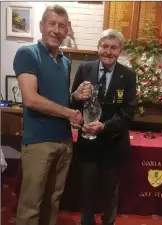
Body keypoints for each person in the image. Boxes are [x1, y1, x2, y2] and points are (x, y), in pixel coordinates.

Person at [13, 4, 91, 225]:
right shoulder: (27, 54)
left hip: (64, 141)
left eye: (62, 26)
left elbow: (58, 99)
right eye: (52, 24)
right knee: (31, 206)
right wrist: (69, 113)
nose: (57, 30)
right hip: (38, 142)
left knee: (53, 201)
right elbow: (31, 98)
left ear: (68, 30)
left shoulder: (65, 61)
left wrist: (74, 96)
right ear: (41, 26)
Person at [71, 29, 136, 225]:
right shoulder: (84, 69)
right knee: (87, 191)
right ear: (98, 48)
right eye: (104, 46)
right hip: (88, 144)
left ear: (120, 50)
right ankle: (86, 221)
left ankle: (109, 221)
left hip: (113, 143)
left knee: (110, 193)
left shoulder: (128, 75)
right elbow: (73, 102)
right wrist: (75, 97)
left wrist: (105, 126)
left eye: (113, 47)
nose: (108, 51)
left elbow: (128, 111)